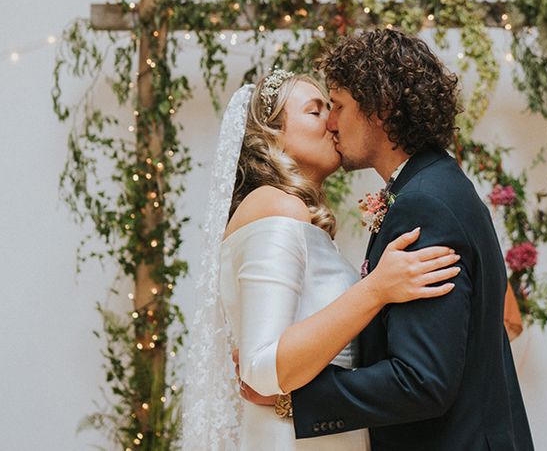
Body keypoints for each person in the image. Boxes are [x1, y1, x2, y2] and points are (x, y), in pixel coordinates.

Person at [242, 29, 535, 450]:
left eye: (338, 106)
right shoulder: (436, 185)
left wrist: (295, 398)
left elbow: (421, 380)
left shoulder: (424, 205)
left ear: (377, 109)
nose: (331, 122)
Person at [181, 71, 460, 450]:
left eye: (333, 109)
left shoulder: (291, 213)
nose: (333, 123)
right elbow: (263, 369)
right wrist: (376, 289)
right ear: (272, 134)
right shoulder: (277, 206)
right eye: (316, 111)